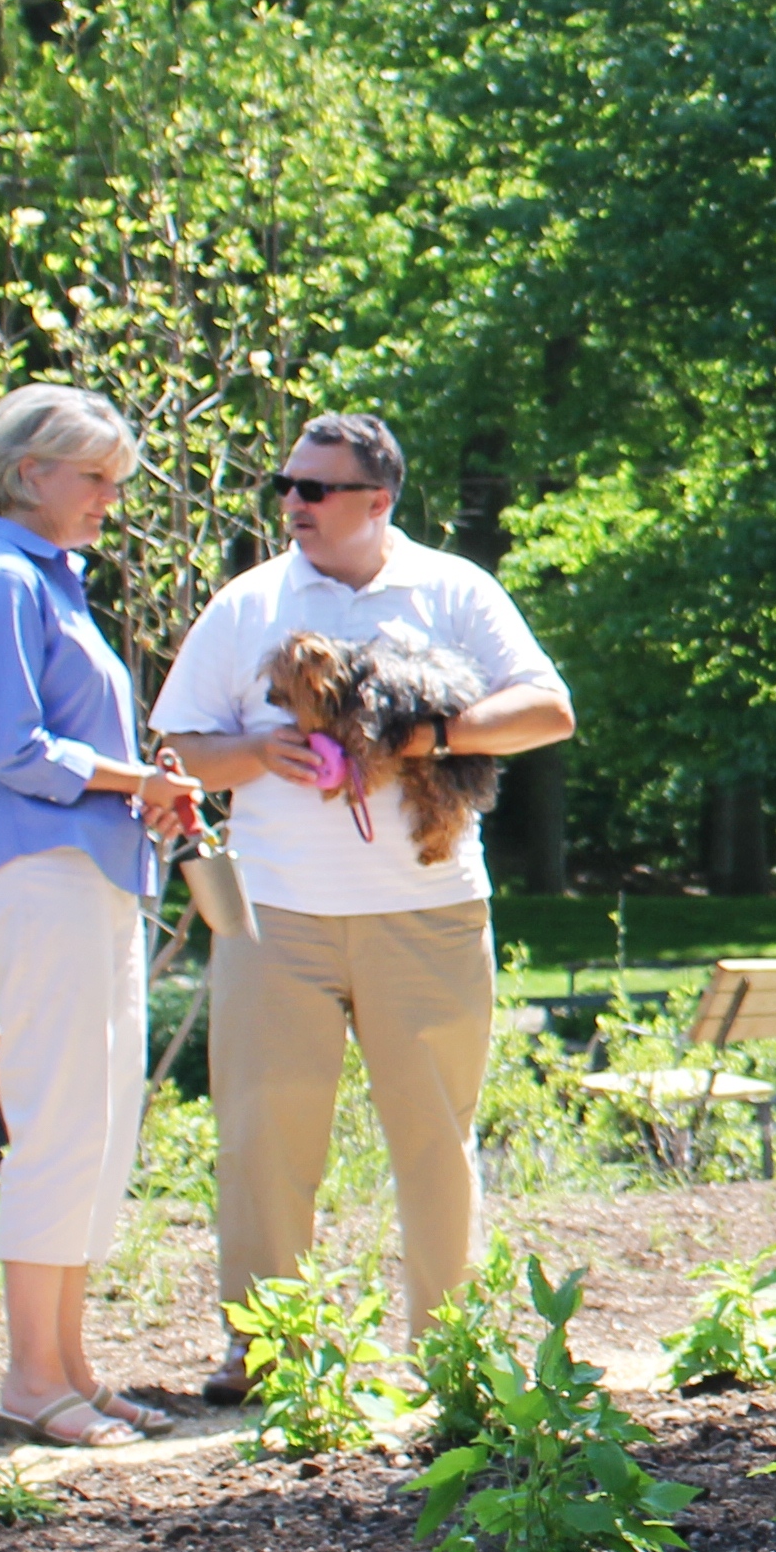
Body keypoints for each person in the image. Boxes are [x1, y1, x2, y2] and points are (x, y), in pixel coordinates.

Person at [153, 414, 576, 1368]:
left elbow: (547, 710)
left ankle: (448, 1349)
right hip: (276, 917)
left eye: (313, 489)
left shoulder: (454, 590)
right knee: (263, 1139)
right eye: (286, 487)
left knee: (435, 1139)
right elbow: (178, 748)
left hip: (427, 910)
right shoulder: (249, 604)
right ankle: (267, 1353)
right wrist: (259, 751)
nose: (291, 505)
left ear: (376, 500)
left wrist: (425, 741)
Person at [0, 388, 205, 1447]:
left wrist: (138, 791)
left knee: (98, 1122)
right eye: (95, 478)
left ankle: (71, 1362)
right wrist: (139, 779)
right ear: (28, 471)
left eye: (116, 481)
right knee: (57, 1120)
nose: (110, 501)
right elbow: (12, 746)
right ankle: (33, 1375)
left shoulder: (51, 582)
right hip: (34, 873)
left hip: (89, 873)